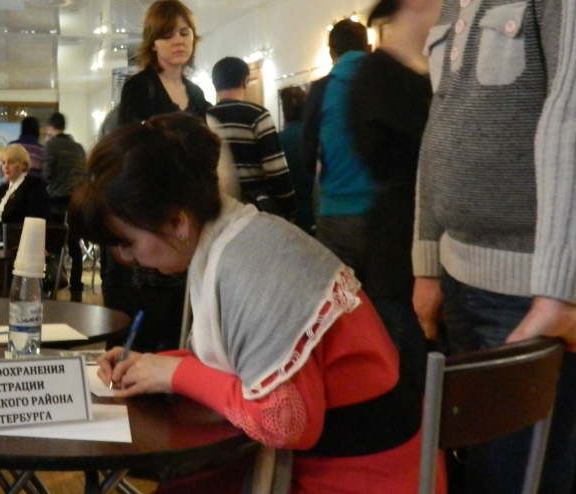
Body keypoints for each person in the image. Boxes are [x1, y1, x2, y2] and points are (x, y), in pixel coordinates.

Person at [71, 114, 434, 494]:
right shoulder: (240, 238)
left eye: (126, 242)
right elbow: (246, 364)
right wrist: (152, 366)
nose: (126, 259)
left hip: (368, 476)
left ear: (177, 221)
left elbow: (284, 422)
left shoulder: (250, 265)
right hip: (350, 461)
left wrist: (174, 373)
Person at [409, 0, 576, 494]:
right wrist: (426, 264)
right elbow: (440, 127)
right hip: (462, 283)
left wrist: (561, 291)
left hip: (531, 294)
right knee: (478, 473)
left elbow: (571, 122)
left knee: (528, 476)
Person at [348, 0, 445, 392]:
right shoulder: (377, 74)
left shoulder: (432, 70)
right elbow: (401, 162)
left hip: (436, 244)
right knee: (414, 383)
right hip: (400, 248)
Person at [111, 0, 211, 352]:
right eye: (167, 35)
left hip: (188, 212)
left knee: (186, 309)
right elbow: (131, 151)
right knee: (151, 307)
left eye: (184, 32)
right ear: (152, 43)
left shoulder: (197, 94)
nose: (178, 41)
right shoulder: (140, 87)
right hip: (151, 211)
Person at [301, 19, 375, 279]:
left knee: (341, 294)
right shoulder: (387, 82)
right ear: (368, 47)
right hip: (383, 212)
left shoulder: (322, 89)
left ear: (331, 52)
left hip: (337, 210)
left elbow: (307, 155)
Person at [208, 56, 297, 219]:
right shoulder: (257, 115)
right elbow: (276, 169)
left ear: (215, 85)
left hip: (218, 211)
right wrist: (289, 210)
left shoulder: (205, 118)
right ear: (245, 81)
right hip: (254, 211)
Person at [43, 112, 87, 300]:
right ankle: (76, 284)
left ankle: (55, 280)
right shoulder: (78, 148)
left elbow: (46, 174)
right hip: (76, 202)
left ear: (51, 127)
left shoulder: (51, 146)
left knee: (54, 245)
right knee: (74, 246)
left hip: (56, 202)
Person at [0, 144, 49, 231]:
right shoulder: (3, 189)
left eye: (11, 162)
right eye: (3, 163)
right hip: (3, 237)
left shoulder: (34, 186)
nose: (6, 167)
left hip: (21, 238)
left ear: (24, 165)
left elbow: (37, 221)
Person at [278, 86, 316, 235]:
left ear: (284, 112)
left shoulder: (277, 140)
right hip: (314, 209)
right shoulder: (316, 138)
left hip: (286, 215)